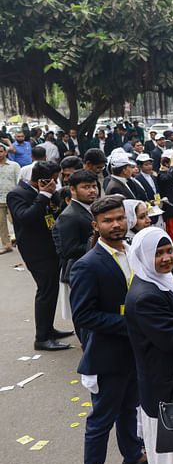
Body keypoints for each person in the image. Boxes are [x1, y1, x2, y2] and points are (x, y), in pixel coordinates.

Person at [69, 196, 147, 464]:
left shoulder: (133, 251)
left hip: (135, 353)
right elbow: (83, 315)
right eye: (108, 221)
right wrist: (132, 324)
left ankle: (133, 455)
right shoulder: (88, 265)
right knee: (101, 420)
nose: (116, 225)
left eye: (120, 218)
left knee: (129, 408)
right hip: (108, 356)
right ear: (96, 225)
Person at [124, 227, 173, 464]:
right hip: (166, 389)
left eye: (169, 250)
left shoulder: (158, 281)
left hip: (172, 383)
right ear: (144, 257)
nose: (167, 258)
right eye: (158, 253)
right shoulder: (145, 296)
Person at [7, 161, 72, 350]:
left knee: (51, 292)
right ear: (43, 180)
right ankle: (42, 338)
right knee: (45, 292)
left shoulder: (41, 194)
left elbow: (46, 217)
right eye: (53, 180)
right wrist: (44, 196)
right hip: (36, 252)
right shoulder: (17, 194)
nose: (56, 183)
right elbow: (25, 217)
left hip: (49, 249)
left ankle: (48, 329)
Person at [52, 170, 98, 324]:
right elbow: (68, 250)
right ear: (72, 189)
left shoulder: (90, 207)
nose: (92, 190)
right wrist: (98, 244)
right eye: (86, 187)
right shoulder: (69, 216)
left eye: (94, 186)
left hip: (92, 270)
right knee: (85, 316)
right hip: (79, 272)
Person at [0, 143, 20, 254]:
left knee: (16, 221)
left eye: (1, 151)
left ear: (6, 152)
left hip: (12, 198)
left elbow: (19, 181)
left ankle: (21, 241)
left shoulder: (14, 165)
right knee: (1, 224)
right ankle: (6, 245)